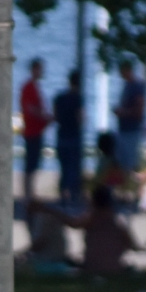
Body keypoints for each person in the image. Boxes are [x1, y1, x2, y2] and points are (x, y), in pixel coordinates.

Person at [52, 69, 87, 206]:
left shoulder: (60, 98)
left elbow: (55, 116)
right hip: (73, 136)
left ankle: (63, 195)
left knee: (64, 168)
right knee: (73, 168)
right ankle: (72, 195)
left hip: (61, 135)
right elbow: (80, 118)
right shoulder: (78, 98)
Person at [19, 58, 50, 211]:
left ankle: (30, 194)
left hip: (36, 131)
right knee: (30, 165)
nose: (41, 72)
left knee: (33, 164)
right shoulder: (28, 87)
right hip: (31, 132)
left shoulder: (33, 87)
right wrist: (45, 117)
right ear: (33, 69)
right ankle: (27, 196)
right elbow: (31, 109)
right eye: (39, 69)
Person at [113, 62, 146, 173]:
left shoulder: (137, 86)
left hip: (132, 130)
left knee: (131, 164)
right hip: (123, 129)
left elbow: (139, 111)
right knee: (121, 162)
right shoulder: (127, 85)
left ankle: (131, 187)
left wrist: (123, 113)